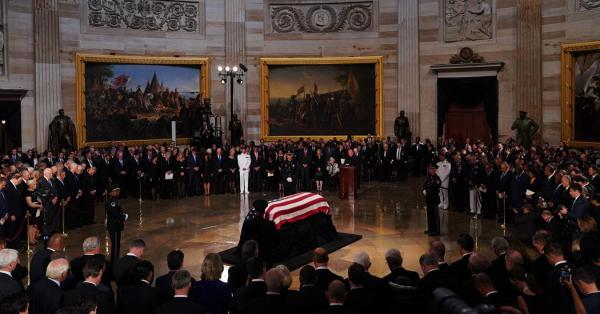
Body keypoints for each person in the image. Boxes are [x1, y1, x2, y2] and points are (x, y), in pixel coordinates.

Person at [238, 199, 278, 266]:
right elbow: (275, 240)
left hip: (251, 257)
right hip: (266, 257)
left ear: (255, 210)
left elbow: (243, 238)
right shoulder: (270, 224)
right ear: (264, 211)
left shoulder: (248, 223)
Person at [105, 185, 128, 266]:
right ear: (111, 192)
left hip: (116, 225)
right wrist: (124, 216)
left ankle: (115, 259)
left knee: (117, 244)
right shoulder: (111, 201)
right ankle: (114, 262)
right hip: (114, 225)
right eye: (116, 191)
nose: (118, 192)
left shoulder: (115, 200)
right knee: (115, 245)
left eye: (118, 190)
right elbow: (115, 213)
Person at [423, 165, 441, 236]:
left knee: (435, 215)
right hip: (428, 199)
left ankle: (436, 230)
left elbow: (435, 189)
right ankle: (431, 229)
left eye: (433, 169)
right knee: (429, 214)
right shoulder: (429, 178)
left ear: (435, 170)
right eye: (430, 169)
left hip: (434, 199)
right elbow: (425, 185)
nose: (431, 170)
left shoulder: (437, 179)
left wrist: (427, 191)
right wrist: (424, 189)